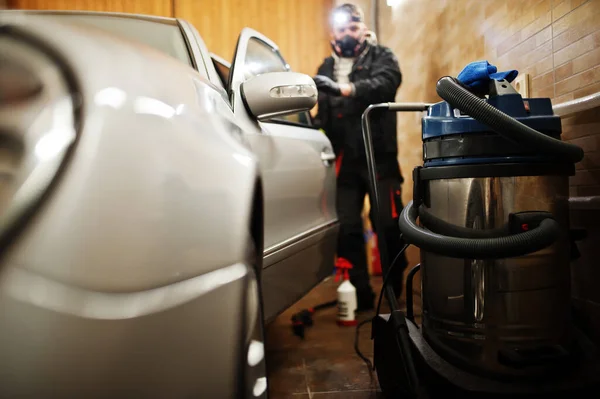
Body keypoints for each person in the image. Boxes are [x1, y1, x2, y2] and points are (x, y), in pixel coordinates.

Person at [312, 3, 408, 312]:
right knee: (348, 228)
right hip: (344, 164)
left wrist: (344, 88)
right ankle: (361, 295)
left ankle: (394, 291)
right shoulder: (325, 68)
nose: (348, 34)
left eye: (353, 28)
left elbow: (386, 84)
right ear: (333, 33)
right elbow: (320, 116)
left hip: (379, 158)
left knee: (388, 225)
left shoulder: (383, 57)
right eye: (342, 29)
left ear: (363, 29)